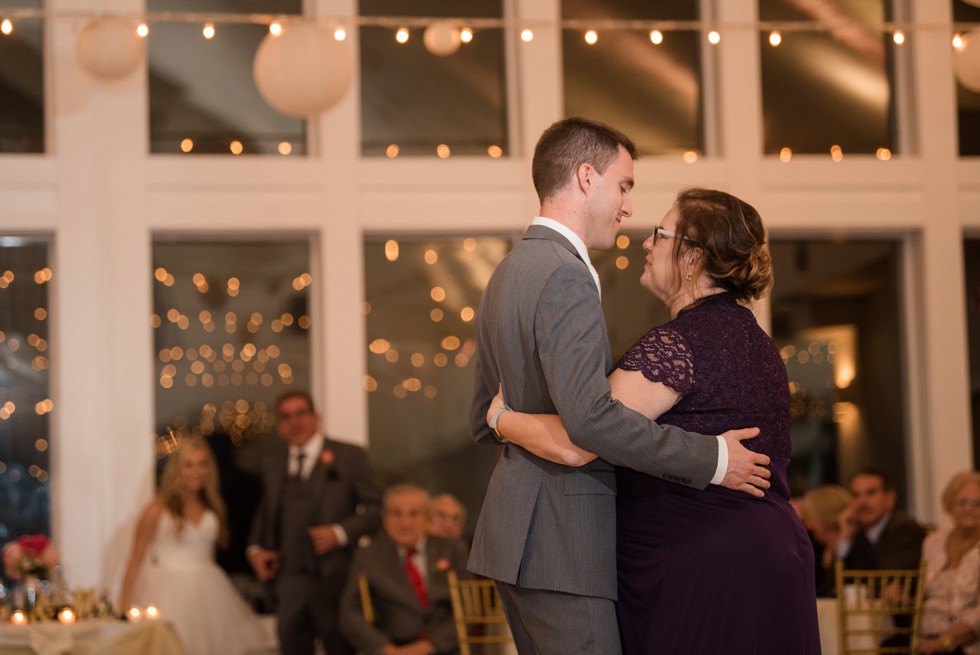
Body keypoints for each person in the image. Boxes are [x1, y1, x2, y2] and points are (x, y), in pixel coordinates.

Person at [468, 116, 771, 654]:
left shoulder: (507, 270)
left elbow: (480, 411)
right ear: (586, 177)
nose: (628, 206)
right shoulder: (566, 273)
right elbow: (591, 421)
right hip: (565, 543)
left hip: (516, 537)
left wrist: (500, 419)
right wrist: (714, 460)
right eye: (624, 185)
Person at [247, 389, 383, 655]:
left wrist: (340, 532)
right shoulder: (273, 464)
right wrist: (255, 550)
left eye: (301, 413)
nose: (295, 422)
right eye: (286, 417)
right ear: (280, 425)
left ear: (316, 417)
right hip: (289, 581)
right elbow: (265, 516)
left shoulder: (348, 455)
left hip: (336, 579)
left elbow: (377, 508)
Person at [120, 437, 269, 655]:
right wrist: (123, 609)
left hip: (210, 593)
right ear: (177, 468)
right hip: (167, 593)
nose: (195, 471)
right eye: (189, 464)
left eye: (202, 464)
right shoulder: (156, 509)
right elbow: (135, 559)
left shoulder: (214, 505)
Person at [340, 484, 469, 655]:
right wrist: (385, 649)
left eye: (414, 514)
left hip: (448, 648)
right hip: (394, 647)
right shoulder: (368, 555)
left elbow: (468, 605)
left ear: (427, 517)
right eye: (396, 514)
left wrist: (429, 646)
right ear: (384, 518)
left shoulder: (452, 550)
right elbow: (350, 612)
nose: (405, 522)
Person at [916, 470, 980, 655]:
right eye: (961, 502)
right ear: (949, 506)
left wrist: (942, 643)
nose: (968, 508)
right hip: (925, 638)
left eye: (976, 503)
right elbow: (925, 596)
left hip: (966, 645)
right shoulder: (933, 542)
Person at [836, 468, 926, 570]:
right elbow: (834, 582)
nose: (862, 502)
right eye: (856, 495)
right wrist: (845, 538)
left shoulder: (905, 530)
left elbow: (887, 579)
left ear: (890, 498)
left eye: (871, 493)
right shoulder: (859, 533)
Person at [800, 484, 852, 596]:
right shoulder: (815, 549)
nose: (807, 526)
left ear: (825, 517)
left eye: (810, 517)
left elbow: (833, 589)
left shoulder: (856, 548)